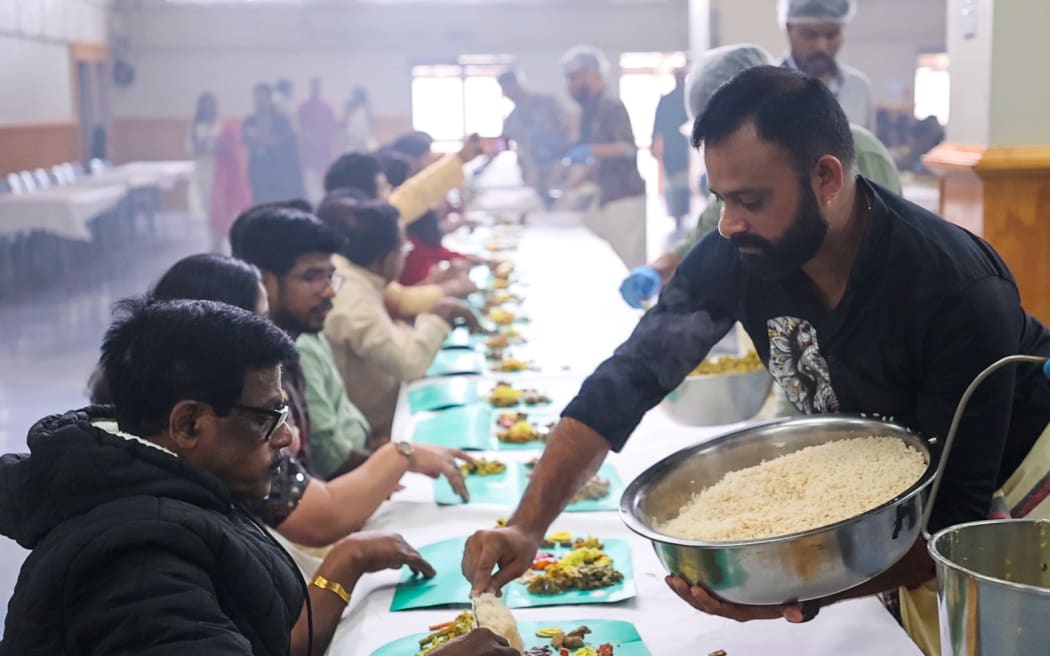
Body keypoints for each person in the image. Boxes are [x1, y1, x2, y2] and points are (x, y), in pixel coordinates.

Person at [462, 66, 1050, 656]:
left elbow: (946, 531)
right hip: (895, 498)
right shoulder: (736, 254)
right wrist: (527, 524)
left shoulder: (954, 290)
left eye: (751, 200)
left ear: (825, 177)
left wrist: (792, 594)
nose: (728, 223)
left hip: (1016, 489)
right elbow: (630, 377)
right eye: (721, 199)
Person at [0, 298, 506, 655]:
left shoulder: (167, 481)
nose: (287, 439)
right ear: (188, 424)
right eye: (271, 417)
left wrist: (346, 562)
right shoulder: (135, 565)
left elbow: (263, 639)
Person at [621, 44, 900, 309]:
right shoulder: (739, 186)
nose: (730, 224)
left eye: (753, 200)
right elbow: (703, 237)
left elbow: (884, 254)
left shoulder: (863, 154)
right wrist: (656, 271)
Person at [317, 198, 481, 438]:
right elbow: (409, 363)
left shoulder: (355, 276)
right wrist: (438, 317)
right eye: (402, 250)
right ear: (386, 258)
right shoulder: (354, 298)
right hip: (370, 429)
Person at [560, 45, 648, 269]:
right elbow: (595, 162)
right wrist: (568, 187)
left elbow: (627, 148)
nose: (571, 85)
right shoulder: (590, 111)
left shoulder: (612, 106)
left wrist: (591, 149)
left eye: (574, 78)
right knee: (611, 261)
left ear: (592, 74)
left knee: (632, 263)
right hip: (605, 196)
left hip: (624, 196)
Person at [779, 0, 873, 129]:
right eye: (810, 35)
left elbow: (868, 147)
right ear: (788, 29)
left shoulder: (857, 87)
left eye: (831, 35)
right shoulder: (766, 86)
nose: (821, 47)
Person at [498, 69, 570, 207]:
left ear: (517, 85)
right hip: (533, 174)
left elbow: (567, 129)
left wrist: (552, 141)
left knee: (563, 208)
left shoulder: (547, 103)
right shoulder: (513, 119)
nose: (508, 93)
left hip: (557, 168)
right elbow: (503, 144)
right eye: (504, 90)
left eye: (509, 88)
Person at [244, 82, 307, 204]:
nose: (259, 100)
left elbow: (285, 141)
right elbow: (246, 141)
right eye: (256, 96)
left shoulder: (281, 120)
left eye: (262, 96)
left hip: (277, 169)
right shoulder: (250, 120)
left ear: (269, 97)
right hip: (257, 168)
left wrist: (268, 141)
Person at [651, 69, 691, 231]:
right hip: (670, 147)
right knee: (672, 180)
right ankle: (675, 212)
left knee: (682, 181)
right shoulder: (667, 100)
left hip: (684, 146)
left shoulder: (687, 100)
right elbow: (657, 124)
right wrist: (653, 144)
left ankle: (681, 211)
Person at [298, 78, 341, 204]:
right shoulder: (303, 107)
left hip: (323, 151)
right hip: (309, 152)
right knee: (310, 182)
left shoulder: (327, 107)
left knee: (323, 181)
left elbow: (331, 128)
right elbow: (301, 127)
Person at [189, 92, 221, 234]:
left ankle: (219, 236)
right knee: (206, 203)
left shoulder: (219, 125)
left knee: (219, 204)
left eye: (210, 105)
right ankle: (213, 236)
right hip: (203, 166)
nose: (207, 108)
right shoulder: (195, 126)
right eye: (205, 105)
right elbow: (190, 147)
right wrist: (201, 146)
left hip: (218, 166)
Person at [343, 86, 377, 153]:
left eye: (359, 95)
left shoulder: (366, 108)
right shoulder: (351, 107)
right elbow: (346, 122)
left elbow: (371, 123)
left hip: (364, 140)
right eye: (356, 96)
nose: (357, 98)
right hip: (353, 140)